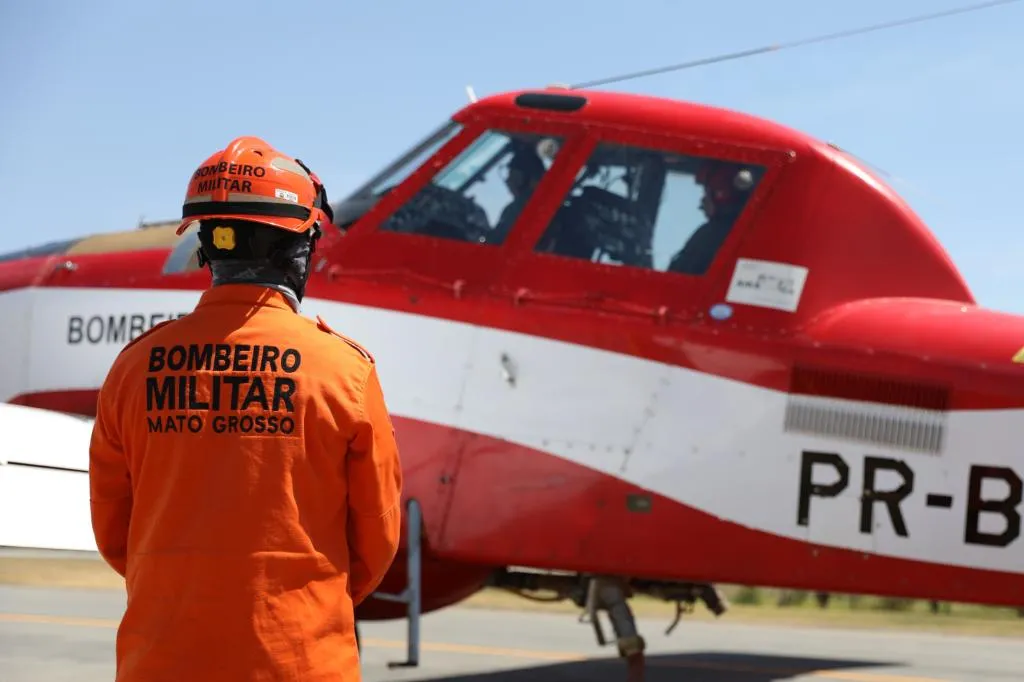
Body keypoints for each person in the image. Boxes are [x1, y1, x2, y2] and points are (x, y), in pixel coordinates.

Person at [88, 136, 403, 681]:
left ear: (207, 249)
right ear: (300, 249)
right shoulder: (343, 370)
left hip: (161, 663)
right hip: (300, 662)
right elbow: (376, 538)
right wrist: (307, 605)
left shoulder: (134, 368)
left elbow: (114, 531)